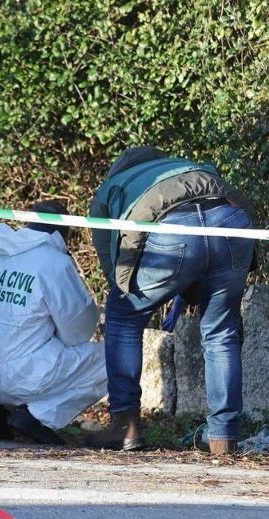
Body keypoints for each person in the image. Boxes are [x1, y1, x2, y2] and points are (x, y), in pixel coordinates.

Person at [85, 147, 256, 455]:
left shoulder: (113, 186)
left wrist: (128, 289)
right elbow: (219, 219)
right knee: (221, 332)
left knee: (124, 316)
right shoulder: (191, 165)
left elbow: (110, 261)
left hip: (170, 228)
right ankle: (224, 438)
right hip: (232, 220)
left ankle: (125, 427)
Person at [0, 200, 106, 444]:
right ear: (63, 232)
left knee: (14, 342)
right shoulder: (53, 264)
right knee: (111, 359)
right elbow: (77, 332)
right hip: (19, 378)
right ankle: (37, 417)